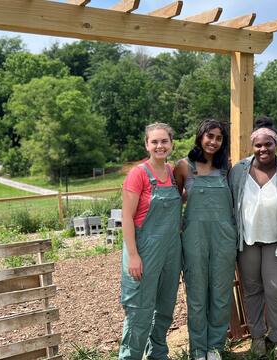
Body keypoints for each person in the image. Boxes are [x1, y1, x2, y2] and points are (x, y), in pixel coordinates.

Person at [228, 116, 277, 358]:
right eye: (258, 145)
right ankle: (258, 337)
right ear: (253, 146)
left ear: (276, 144)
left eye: (268, 144)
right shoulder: (239, 171)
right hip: (247, 242)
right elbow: (231, 204)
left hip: (276, 243)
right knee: (251, 290)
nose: (263, 149)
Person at [174, 120, 237, 360]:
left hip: (223, 238)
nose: (213, 141)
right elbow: (175, 202)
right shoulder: (183, 166)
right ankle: (198, 350)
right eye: (209, 136)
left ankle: (215, 348)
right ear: (200, 136)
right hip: (194, 238)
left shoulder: (226, 167)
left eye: (219, 138)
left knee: (221, 294)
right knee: (197, 295)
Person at [119, 123, 182, 360]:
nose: (160, 146)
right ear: (147, 144)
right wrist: (133, 255)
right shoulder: (138, 174)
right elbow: (126, 217)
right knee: (139, 311)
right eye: (154, 142)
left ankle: (157, 354)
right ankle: (130, 357)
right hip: (144, 251)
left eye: (164, 141)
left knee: (165, 307)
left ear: (171, 144)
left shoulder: (174, 173)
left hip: (170, 251)